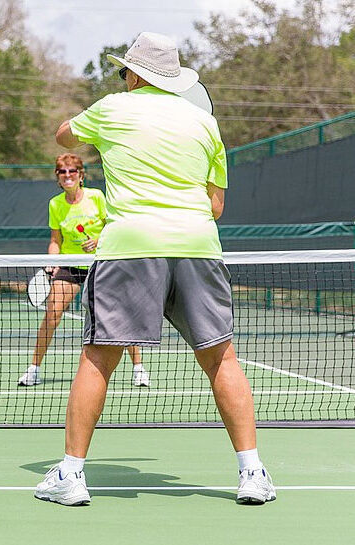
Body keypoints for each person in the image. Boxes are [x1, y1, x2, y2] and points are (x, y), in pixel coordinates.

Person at [34, 32, 275, 507]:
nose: (122, 78)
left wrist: (100, 127)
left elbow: (63, 135)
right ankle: (253, 472)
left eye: (125, 71)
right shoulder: (205, 124)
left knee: (99, 357)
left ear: (137, 74)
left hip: (131, 247)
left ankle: (71, 475)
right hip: (197, 247)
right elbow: (216, 205)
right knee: (222, 358)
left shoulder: (111, 108)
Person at [17, 153, 147, 388]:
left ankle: (138, 368)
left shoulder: (96, 197)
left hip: (101, 264)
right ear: (58, 177)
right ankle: (34, 369)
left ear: (81, 175)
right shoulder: (55, 204)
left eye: (72, 171)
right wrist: (51, 261)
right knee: (52, 314)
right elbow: (55, 239)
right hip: (70, 266)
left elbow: (115, 226)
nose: (68, 176)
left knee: (120, 316)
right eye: (62, 172)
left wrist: (98, 240)